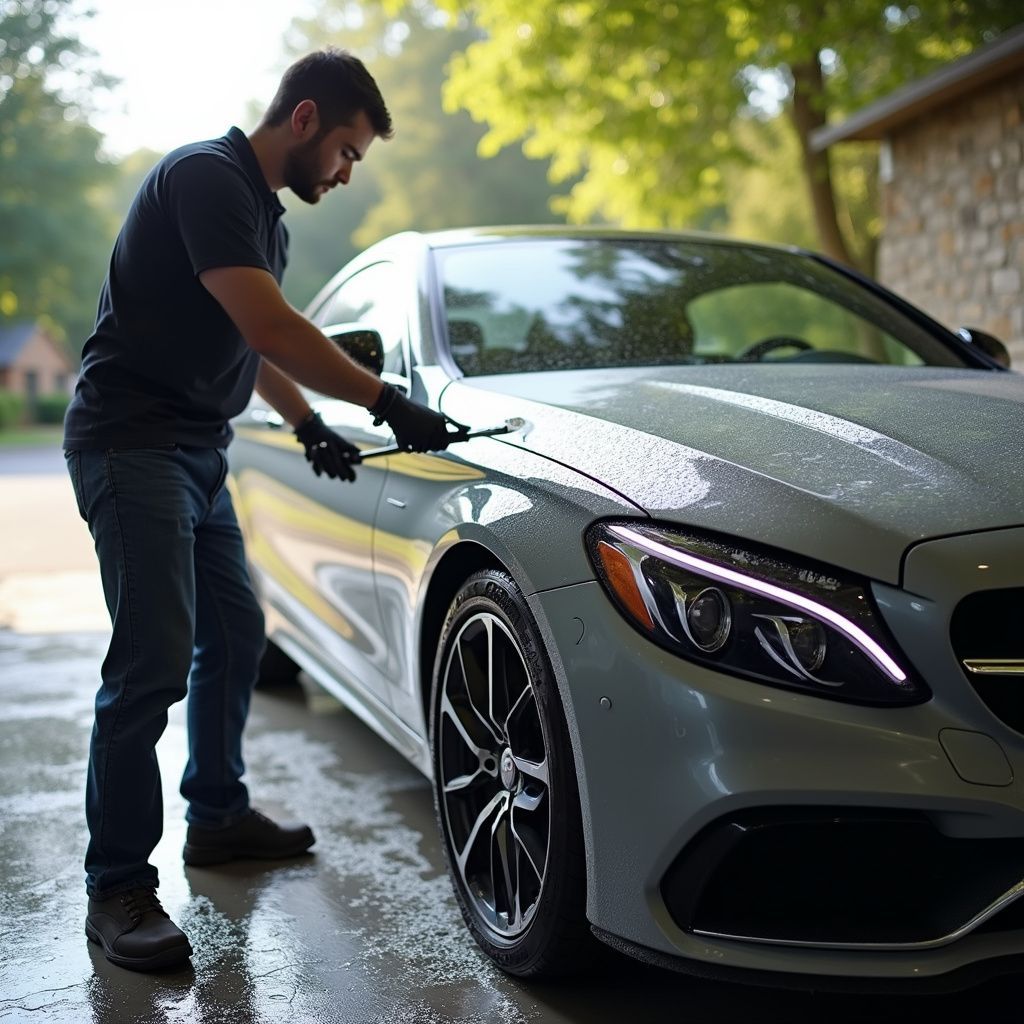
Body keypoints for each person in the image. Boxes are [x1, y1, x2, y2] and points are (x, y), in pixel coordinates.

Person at [63, 48, 461, 973]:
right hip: (133, 445)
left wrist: (308, 420)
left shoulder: (261, 219)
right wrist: (382, 401)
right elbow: (276, 325)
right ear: (307, 117)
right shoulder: (206, 176)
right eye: (350, 152)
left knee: (236, 634)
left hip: (197, 452)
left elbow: (250, 343)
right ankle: (116, 885)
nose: (348, 172)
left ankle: (217, 816)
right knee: (150, 662)